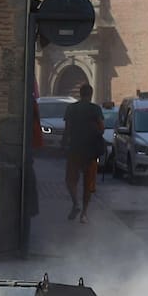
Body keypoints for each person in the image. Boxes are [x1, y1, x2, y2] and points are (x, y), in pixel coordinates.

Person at [62, 83, 104, 224]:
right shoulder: (95, 109)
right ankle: (84, 214)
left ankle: (76, 203)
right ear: (91, 94)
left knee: (70, 181)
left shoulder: (71, 108)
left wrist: (63, 145)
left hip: (75, 149)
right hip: (91, 151)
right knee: (88, 183)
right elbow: (102, 128)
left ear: (80, 94)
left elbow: (67, 129)